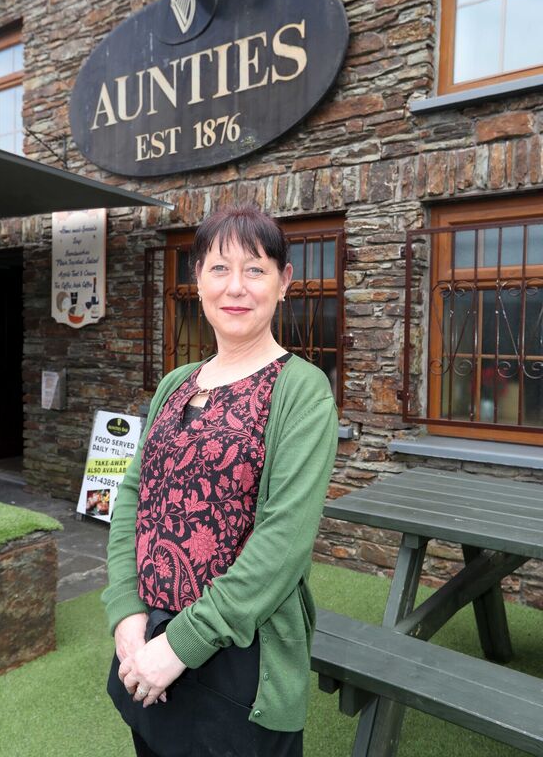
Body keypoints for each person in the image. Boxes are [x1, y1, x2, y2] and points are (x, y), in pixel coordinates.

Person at [102, 205, 339, 757]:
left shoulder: (301, 391)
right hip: (148, 644)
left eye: (255, 269)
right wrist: (126, 613)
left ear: (285, 283)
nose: (237, 287)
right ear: (197, 282)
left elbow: (282, 546)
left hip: (238, 661)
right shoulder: (176, 384)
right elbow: (135, 497)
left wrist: (178, 647)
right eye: (218, 268)